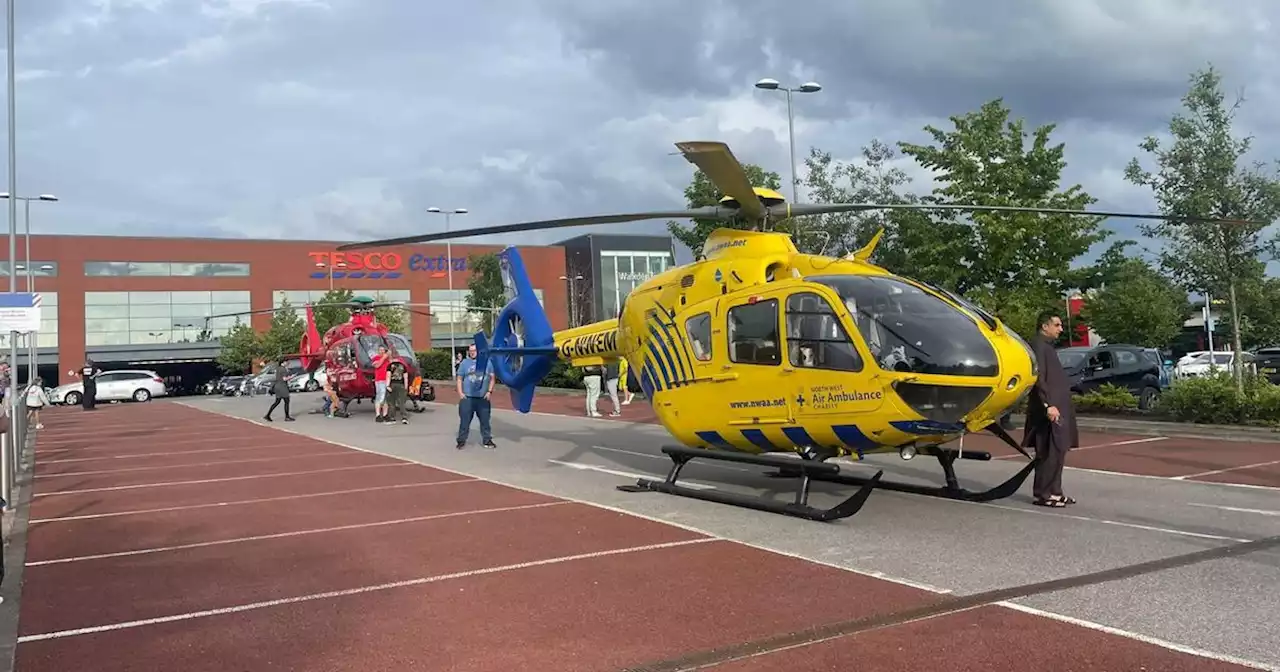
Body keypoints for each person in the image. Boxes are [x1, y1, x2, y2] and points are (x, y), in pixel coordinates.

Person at [1021, 311, 1078, 507]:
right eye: (1057, 325)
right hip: (1048, 411)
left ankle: (1055, 491)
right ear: (1044, 326)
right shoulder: (1038, 346)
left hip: (1059, 408)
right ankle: (1043, 494)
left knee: (1058, 451)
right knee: (1048, 452)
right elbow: (1039, 378)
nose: (1060, 329)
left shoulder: (1047, 347)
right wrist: (1048, 404)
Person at [455, 344, 496, 449]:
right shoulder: (465, 363)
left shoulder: (487, 362)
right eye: (470, 351)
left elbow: (492, 378)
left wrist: (489, 391)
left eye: (474, 350)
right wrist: (460, 393)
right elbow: (459, 378)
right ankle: (461, 440)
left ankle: (487, 440)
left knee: (485, 421)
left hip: (482, 398)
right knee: (465, 421)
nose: (472, 352)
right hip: (467, 398)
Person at [386, 358, 409, 425]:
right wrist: (406, 387)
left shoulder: (390, 366)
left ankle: (392, 417)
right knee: (401, 402)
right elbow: (406, 377)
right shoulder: (403, 366)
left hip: (392, 384)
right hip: (401, 385)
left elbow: (388, 376)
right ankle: (404, 418)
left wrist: (387, 386)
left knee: (391, 402)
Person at [372, 345, 392, 422]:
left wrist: (389, 356)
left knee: (386, 398)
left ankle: (385, 414)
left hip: (387, 380)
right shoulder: (376, 358)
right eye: (380, 350)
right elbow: (377, 365)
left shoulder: (387, 360)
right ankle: (377, 414)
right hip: (379, 380)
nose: (382, 351)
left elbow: (392, 365)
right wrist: (384, 357)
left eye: (383, 350)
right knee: (380, 397)